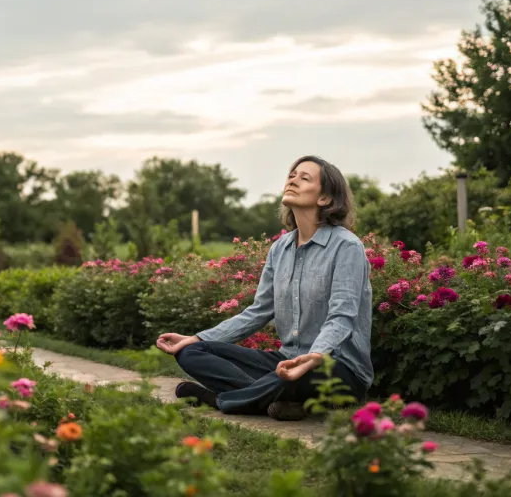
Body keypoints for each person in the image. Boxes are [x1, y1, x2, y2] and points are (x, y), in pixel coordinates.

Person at [155, 155, 373, 421]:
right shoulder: (280, 249)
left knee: (289, 380)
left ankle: (220, 399)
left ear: (325, 198)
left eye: (304, 178)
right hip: (285, 361)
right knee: (191, 353)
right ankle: (275, 398)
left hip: (336, 368)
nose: (293, 180)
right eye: (291, 175)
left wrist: (314, 356)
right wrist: (197, 338)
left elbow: (342, 316)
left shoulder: (346, 247)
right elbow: (258, 311)